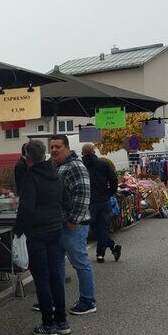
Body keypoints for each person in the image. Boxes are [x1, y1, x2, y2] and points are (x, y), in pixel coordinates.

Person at [14, 140, 71, 335]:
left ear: (27, 158)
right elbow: (66, 200)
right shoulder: (55, 173)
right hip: (55, 229)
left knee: (42, 278)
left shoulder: (31, 177)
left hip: (37, 232)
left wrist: (17, 230)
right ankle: (62, 321)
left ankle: (48, 325)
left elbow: (26, 208)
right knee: (56, 275)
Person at [48, 134, 97, 315]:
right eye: (51, 146)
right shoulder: (56, 166)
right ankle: (56, 300)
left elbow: (83, 194)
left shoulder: (75, 166)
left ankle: (88, 301)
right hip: (58, 224)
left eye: (58, 146)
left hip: (73, 225)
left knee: (80, 262)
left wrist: (72, 220)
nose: (53, 150)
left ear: (66, 148)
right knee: (57, 263)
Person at [81, 144, 122, 264]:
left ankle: (103, 252)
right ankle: (106, 250)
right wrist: (111, 192)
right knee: (102, 227)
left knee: (93, 227)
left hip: (90, 201)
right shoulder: (104, 164)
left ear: (83, 154)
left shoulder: (81, 166)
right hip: (104, 200)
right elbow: (113, 179)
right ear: (94, 152)